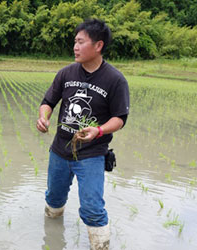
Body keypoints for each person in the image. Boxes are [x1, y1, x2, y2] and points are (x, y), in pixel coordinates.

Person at [36, 19, 129, 250]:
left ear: (98, 45)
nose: (75, 47)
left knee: (93, 208)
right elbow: (48, 101)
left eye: (80, 42)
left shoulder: (115, 80)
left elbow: (119, 119)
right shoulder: (66, 73)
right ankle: (53, 240)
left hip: (92, 154)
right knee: (54, 199)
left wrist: (98, 130)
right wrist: (44, 117)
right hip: (60, 150)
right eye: (74, 42)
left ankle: (100, 246)